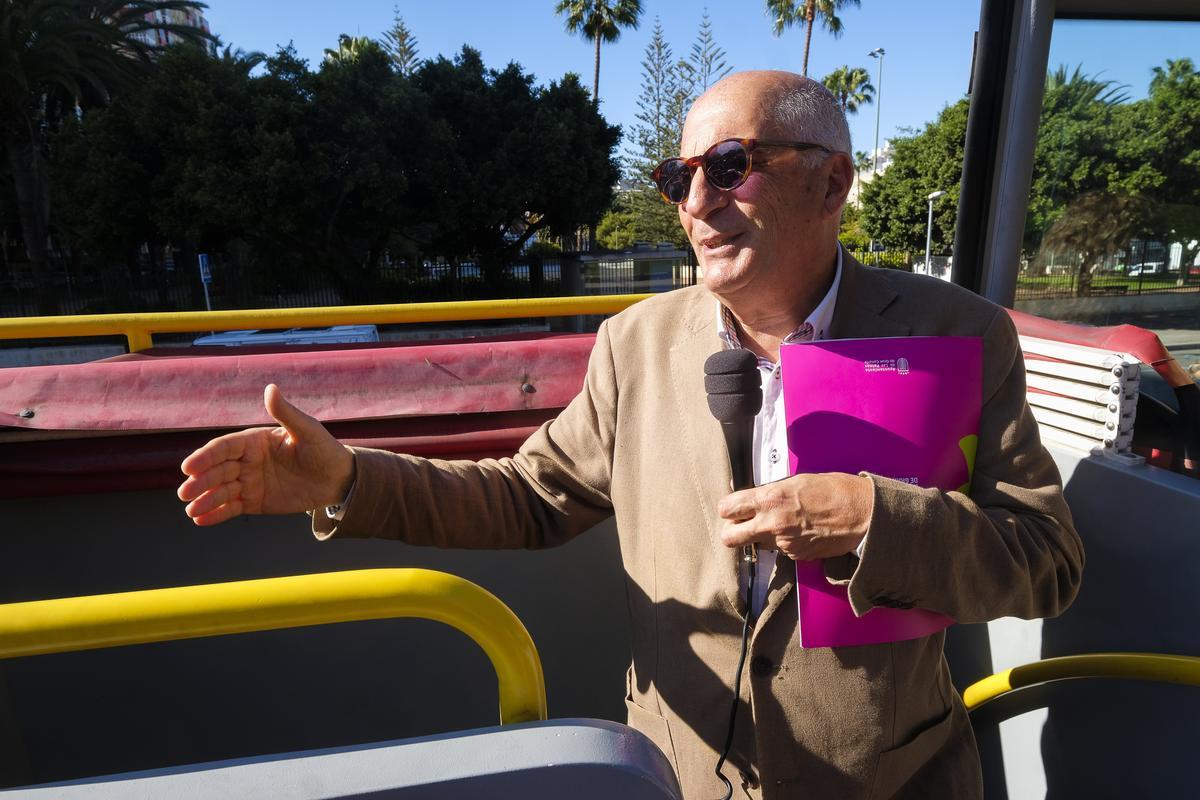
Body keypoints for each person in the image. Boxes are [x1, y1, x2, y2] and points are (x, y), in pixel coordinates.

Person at [178, 71, 1083, 799]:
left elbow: (1045, 559)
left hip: (891, 781)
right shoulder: (636, 343)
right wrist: (348, 481)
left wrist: (873, 519)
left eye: (729, 165)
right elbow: (531, 496)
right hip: (681, 772)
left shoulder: (958, 334)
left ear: (834, 180)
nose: (695, 200)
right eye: (676, 177)